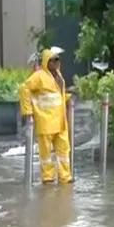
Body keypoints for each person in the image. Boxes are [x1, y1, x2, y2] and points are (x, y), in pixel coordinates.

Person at [19, 47, 73, 185]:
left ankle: (65, 177)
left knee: (64, 151)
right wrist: (27, 111)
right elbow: (24, 88)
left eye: (57, 60)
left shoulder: (59, 76)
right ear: (46, 62)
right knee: (46, 153)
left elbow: (56, 95)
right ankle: (48, 177)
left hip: (60, 122)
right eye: (52, 60)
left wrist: (68, 97)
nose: (55, 63)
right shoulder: (39, 76)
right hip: (45, 121)